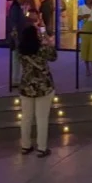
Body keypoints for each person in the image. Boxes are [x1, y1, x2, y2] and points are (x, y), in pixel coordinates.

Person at [18, 24, 57, 158]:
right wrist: (47, 39)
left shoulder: (21, 51)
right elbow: (54, 56)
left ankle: (25, 145)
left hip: (26, 86)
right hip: (43, 87)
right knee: (42, 118)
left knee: (26, 118)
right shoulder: (42, 49)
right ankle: (42, 147)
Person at [6, 0, 30, 88]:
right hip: (17, 37)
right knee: (16, 58)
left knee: (18, 59)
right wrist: (16, 37)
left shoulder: (19, 8)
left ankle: (17, 78)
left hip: (20, 36)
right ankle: (15, 79)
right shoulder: (15, 9)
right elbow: (13, 23)